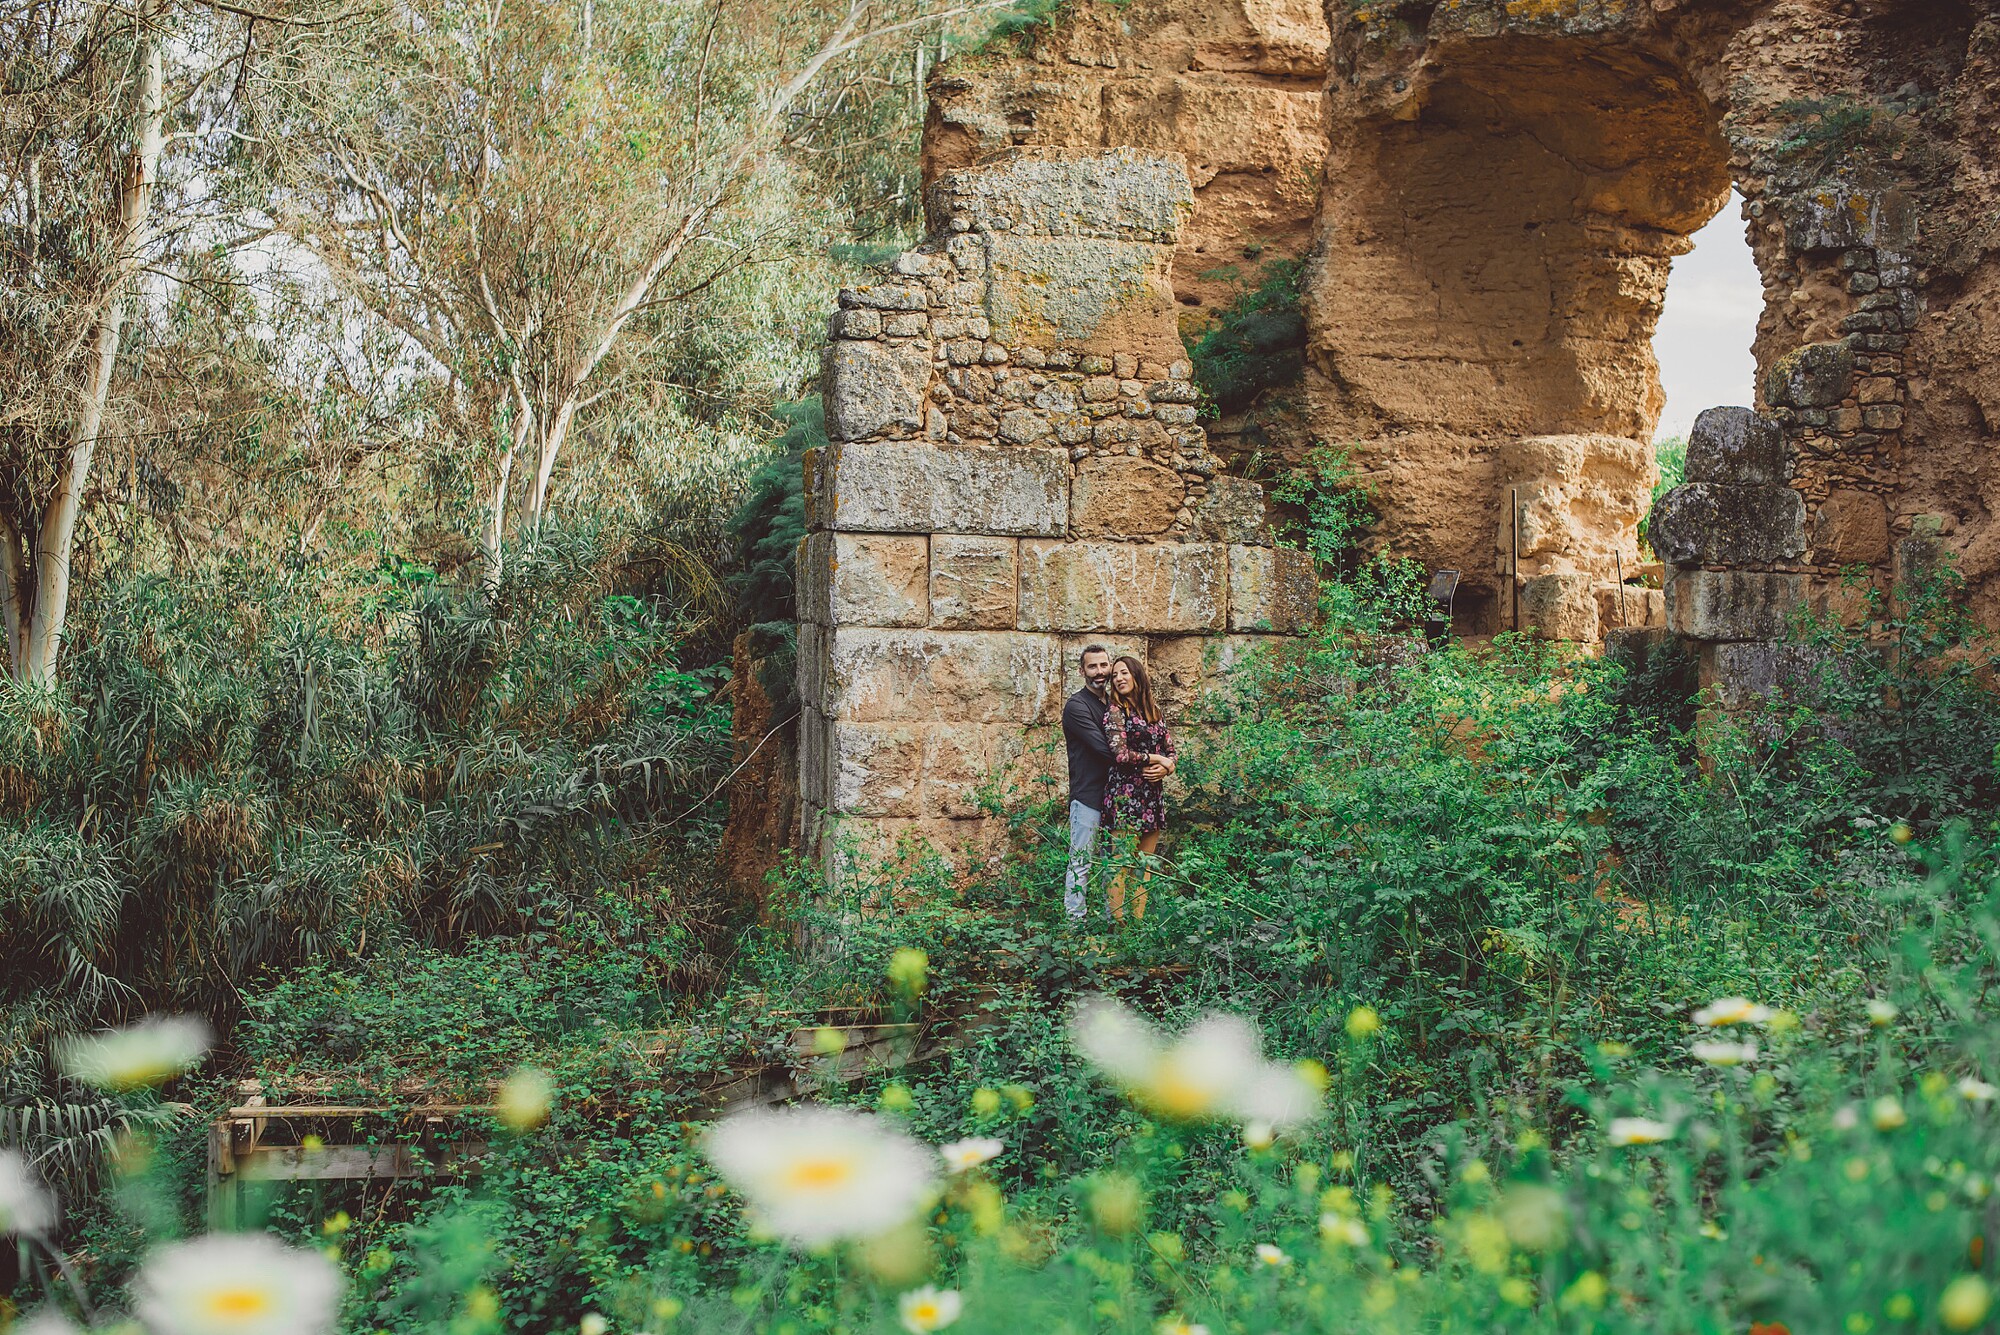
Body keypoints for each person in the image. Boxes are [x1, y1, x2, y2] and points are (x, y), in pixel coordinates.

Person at [1101, 654, 1175, 920]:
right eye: (1115, 676)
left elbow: (1171, 750)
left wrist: (1169, 767)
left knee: (1144, 864)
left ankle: (1138, 924)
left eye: (1124, 673)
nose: (1119, 679)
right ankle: (1120, 926)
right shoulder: (1115, 712)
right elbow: (1120, 754)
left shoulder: (1153, 711)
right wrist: (1157, 759)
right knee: (1120, 862)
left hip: (1151, 796)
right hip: (1125, 795)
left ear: (1136, 675)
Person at [1060, 645, 1116, 920]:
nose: (1099, 672)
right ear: (1082, 671)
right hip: (1088, 797)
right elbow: (1104, 748)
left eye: (1104, 665)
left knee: (1113, 863)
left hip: (1116, 798)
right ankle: (1075, 926)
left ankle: (1112, 922)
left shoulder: (1114, 704)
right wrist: (1145, 760)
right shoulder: (1077, 706)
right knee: (1081, 862)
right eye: (1092, 667)